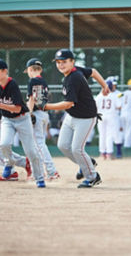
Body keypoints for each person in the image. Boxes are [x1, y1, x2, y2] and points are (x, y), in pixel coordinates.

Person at [40, 49, 109, 188]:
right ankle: (88, 162)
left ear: (72, 62)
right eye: (58, 62)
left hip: (85, 117)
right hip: (71, 115)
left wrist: (46, 106)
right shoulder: (75, 71)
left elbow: (68, 103)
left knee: (77, 149)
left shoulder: (74, 77)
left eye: (64, 62)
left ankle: (93, 177)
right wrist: (104, 85)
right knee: (63, 145)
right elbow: (93, 71)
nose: (61, 65)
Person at [0, 58, 46, 188]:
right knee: (4, 144)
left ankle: (39, 178)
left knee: (31, 151)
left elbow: (17, 108)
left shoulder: (12, 84)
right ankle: (9, 163)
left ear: (5, 71)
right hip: (7, 119)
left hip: (22, 119)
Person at [25, 58, 60, 180]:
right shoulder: (43, 81)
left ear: (30, 69)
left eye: (28, 70)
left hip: (36, 114)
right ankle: (40, 172)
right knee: (39, 144)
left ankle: (51, 171)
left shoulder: (32, 81)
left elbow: (32, 99)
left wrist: (28, 114)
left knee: (38, 144)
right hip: (44, 114)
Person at [95, 78, 122, 159]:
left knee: (102, 135)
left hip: (100, 116)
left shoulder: (99, 96)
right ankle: (109, 154)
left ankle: (102, 153)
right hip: (111, 116)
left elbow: (95, 107)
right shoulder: (114, 95)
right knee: (109, 135)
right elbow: (119, 107)